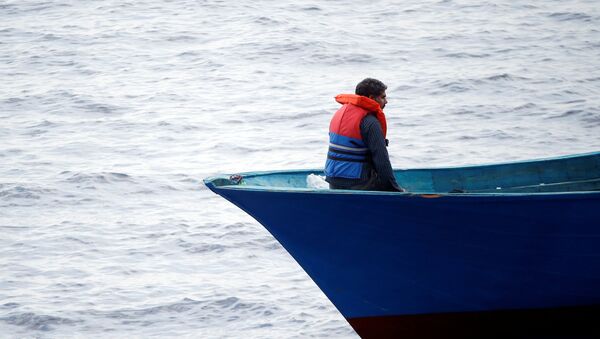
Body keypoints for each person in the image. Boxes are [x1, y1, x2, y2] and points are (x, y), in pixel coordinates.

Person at [325, 78, 405, 192]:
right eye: (383, 97)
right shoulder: (369, 122)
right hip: (357, 182)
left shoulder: (339, 113)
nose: (386, 101)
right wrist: (396, 189)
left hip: (333, 180)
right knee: (394, 186)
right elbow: (381, 160)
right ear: (371, 98)